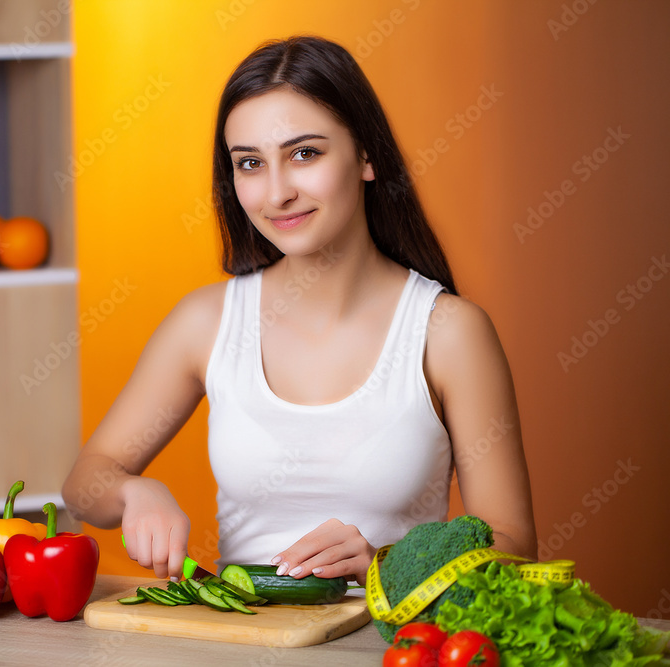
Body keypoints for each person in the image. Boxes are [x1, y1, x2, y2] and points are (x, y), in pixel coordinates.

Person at [61, 35, 536, 588]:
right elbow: (83, 484)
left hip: (392, 645)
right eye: (250, 164)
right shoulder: (206, 322)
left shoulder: (449, 332)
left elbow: (514, 545)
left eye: (305, 153)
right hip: (242, 643)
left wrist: (388, 562)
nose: (277, 192)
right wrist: (132, 491)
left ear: (366, 155)